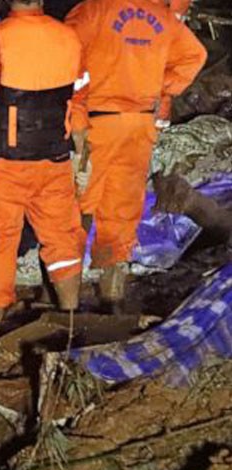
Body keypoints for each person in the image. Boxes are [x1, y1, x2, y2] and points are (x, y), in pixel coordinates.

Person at [0, 0, 90, 338]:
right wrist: (81, 155)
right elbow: (80, 100)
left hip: (6, 163)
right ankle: (70, 320)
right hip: (54, 159)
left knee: (0, 242)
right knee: (62, 238)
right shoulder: (69, 36)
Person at [65, 0, 206, 309]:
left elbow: (66, 59)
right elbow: (195, 55)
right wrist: (161, 87)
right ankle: (110, 299)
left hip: (95, 124)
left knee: (77, 208)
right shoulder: (162, 16)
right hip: (139, 125)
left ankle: (68, 299)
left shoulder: (92, 10)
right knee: (121, 212)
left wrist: (73, 120)